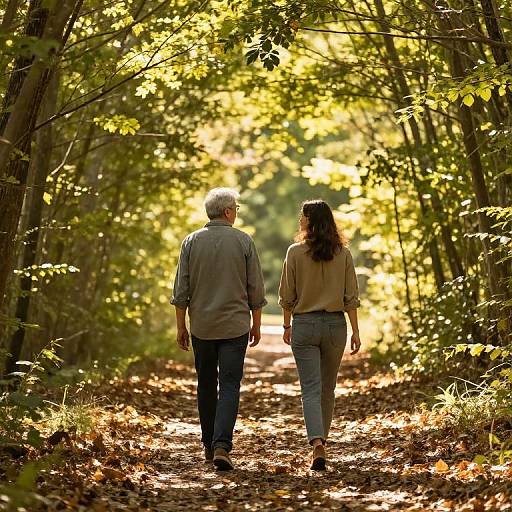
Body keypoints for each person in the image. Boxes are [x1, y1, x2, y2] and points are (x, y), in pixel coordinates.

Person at [170, 187, 266, 471]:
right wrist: (256, 324)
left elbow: (181, 289)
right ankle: (222, 444)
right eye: (236, 208)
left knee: (206, 385)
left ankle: (208, 446)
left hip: (202, 326)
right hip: (235, 327)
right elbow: (255, 289)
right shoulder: (243, 241)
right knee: (230, 385)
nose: (237, 212)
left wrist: (181, 327)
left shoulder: (190, 242)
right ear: (227, 212)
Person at [278, 199, 361, 470]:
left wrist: (286, 325)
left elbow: (286, 295)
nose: (299, 220)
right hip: (336, 326)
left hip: (305, 325)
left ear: (310, 220)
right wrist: (356, 331)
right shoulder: (344, 254)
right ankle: (322, 440)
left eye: (302, 216)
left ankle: (317, 443)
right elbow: (351, 297)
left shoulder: (294, 252)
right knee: (328, 388)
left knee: (310, 389)